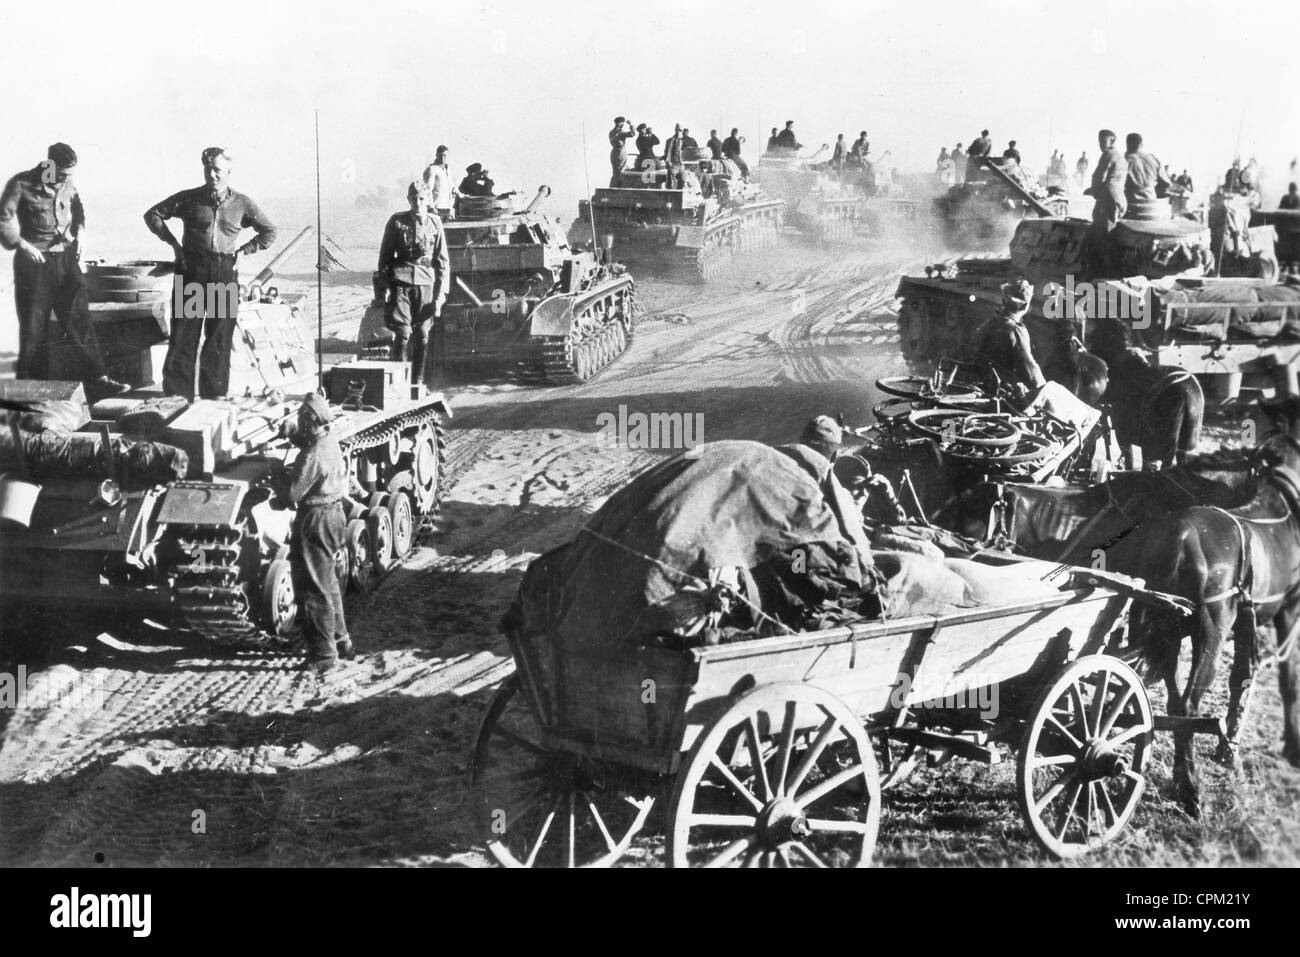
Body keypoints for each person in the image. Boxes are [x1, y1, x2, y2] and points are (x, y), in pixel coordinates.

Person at [144, 146, 277, 400]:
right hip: (192, 270)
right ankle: (176, 397)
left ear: (228, 170)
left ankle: (213, 396)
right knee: (184, 334)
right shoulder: (189, 198)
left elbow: (269, 232)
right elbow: (153, 215)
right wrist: (174, 244)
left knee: (219, 337)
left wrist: (246, 250)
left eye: (216, 169)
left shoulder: (243, 204)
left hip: (223, 272)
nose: (211, 174)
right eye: (207, 169)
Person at [0, 143, 128, 398]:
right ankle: (32, 391)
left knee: (80, 320)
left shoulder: (69, 184)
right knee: (35, 329)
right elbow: (3, 219)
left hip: (66, 262)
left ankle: (97, 379)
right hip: (34, 266)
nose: (68, 179)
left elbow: (78, 209)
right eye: (64, 173)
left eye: (71, 174)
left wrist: (79, 234)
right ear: (50, 165)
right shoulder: (22, 184)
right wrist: (23, 245)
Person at [281, 392, 351, 674]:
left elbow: (292, 494)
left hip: (315, 520)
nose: (298, 422)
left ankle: (324, 656)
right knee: (328, 583)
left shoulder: (311, 455)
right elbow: (310, 445)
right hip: (334, 515)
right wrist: (291, 435)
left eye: (301, 419)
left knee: (313, 589)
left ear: (310, 422)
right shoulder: (328, 440)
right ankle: (342, 640)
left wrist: (278, 479)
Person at [378, 181, 448, 386]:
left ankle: (416, 383)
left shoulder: (436, 223)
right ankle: (398, 384)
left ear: (429, 200)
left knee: (423, 335)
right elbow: (385, 256)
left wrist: (440, 295)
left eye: (422, 198)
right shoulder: (397, 221)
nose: (418, 202)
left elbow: (443, 261)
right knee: (402, 334)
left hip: (426, 285)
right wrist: (386, 288)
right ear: (409, 200)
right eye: (414, 198)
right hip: (402, 283)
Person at [972, 280, 1046, 398]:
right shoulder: (1015, 330)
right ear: (1026, 306)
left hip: (983, 385)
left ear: (1003, 301)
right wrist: (1045, 389)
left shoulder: (990, 322)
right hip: (1003, 393)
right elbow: (1029, 369)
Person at [1084, 129, 1127, 242]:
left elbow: (1099, 176)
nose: (1101, 145)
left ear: (1112, 142)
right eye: (1099, 142)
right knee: (1110, 231)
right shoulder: (1121, 157)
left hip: (1107, 198)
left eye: (1103, 141)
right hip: (1119, 198)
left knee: (1101, 234)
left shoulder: (1108, 154)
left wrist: (1094, 191)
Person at [1123, 132, 1172, 205]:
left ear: (1127, 145)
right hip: (1152, 205)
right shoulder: (1154, 159)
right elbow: (1167, 184)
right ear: (1141, 145)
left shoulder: (1123, 161)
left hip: (1130, 206)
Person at [422, 145, 456, 219]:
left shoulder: (448, 170)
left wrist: (460, 194)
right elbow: (427, 190)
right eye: (440, 155)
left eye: (445, 155)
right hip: (436, 209)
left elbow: (452, 186)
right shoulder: (432, 169)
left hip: (447, 208)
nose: (443, 158)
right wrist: (431, 206)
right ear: (436, 155)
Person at [1276, 183, 1300, 268]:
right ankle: (1287, 264)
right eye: (1291, 189)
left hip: (1296, 228)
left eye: (1293, 189)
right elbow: (1280, 209)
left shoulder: (1298, 198)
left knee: (1295, 247)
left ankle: (1293, 264)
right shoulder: (1285, 198)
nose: (1292, 191)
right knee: (1287, 247)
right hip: (1286, 228)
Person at [608, 116, 634, 183]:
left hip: (613, 152)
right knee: (620, 171)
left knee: (615, 172)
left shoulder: (611, 132)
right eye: (622, 123)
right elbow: (633, 134)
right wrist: (630, 125)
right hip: (620, 152)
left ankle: (613, 185)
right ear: (620, 123)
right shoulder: (620, 132)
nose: (623, 125)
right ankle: (618, 186)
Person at [663, 124, 685, 189]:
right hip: (673, 165)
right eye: (677, 130)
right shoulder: (670, 140)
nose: (679, 132)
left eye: (680, 130)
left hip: (681, 165)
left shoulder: (684, 140)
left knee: (682, 182)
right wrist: (668, 161)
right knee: (670, 183)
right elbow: (668, 151)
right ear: (675, 130)